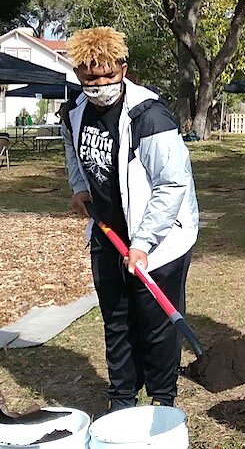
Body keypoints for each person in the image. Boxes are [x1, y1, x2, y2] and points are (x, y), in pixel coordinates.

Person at [61, 27, 199, 412]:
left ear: (124, 68)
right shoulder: (74, 110)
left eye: (108, 74)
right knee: (116, 319)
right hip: (108, 231)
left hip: (160, 238)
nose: (100, 83)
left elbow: (172, 185)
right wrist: (78, 186)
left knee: (155, 323)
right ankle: (122, 396)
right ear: (78, 75)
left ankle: (162, 397)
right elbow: (71, 148)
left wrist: (142, 244)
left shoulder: (149, 116)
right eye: (90, 77)